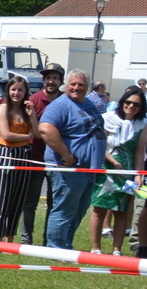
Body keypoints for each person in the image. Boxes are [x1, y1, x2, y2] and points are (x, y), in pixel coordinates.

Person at [38, 69, 106, 251]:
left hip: (88, 168)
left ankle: (66, 245)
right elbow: (45, 128)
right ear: (66, 85)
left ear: (88, 87)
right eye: (73, 84)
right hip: (68, 168)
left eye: (81, 84)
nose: (76, 88)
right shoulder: (60, 105)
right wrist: (66, 154)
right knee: (64, 209)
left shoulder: (89, 104)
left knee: (79, 209)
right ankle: (56, 248)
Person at [90, 86, 145, 255]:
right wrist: (113, 162)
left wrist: (138, 175)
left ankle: (117, 249)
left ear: (141, 107)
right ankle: (96, 248)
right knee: (100, 209)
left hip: (127, 172)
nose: (131, 106)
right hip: (107, 169)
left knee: (122, 211)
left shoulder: (142, 124)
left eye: (136, 104)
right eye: (128, 102)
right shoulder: (108, 118)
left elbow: (139, 152)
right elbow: (100, 145)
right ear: (122, 102)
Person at [0, 75, 39, 243]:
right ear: (8, 91)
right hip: (6, 154)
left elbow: (37, 134)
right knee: (4, 198)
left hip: (24, 155)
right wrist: (27, 136)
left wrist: (32, 116)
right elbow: (6, 135)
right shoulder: (2, 109)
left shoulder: (27, 110)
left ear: (25, 92)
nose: (16, 93)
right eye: (13, 89)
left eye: (20, 90)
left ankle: (10, 239)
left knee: (18, 199)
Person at [25, 65, 65, 242]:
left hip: (57, 158)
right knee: (30, 202)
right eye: (48, 78)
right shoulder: (33, 100)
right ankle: (26, 239)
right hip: (35, 157)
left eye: (55, 78)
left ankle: (48, 241)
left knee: (54, 203)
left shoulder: (65, 101)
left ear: (60, 81)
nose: (51, 81)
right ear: (43, 81)